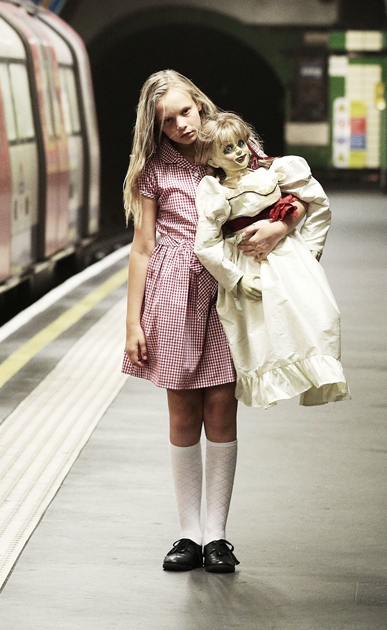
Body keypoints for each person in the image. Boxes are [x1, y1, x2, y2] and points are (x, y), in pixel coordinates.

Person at [122, 70, 303, 574]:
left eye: (186, 111)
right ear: (155, 128)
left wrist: (278, 223)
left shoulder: (233, 145)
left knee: (222, 409)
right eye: (167, 120)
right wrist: (132, 323)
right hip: (174, 294)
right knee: (183, 413)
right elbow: (142, 248)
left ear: (200, 104)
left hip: (230, 290)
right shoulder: (153, 170)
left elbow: (292, 193)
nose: (181, 124)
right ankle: (187, 534)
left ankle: (217, 537)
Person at [194, 112, 349, 409]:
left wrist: (311, 252)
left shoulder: (274, 171)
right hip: (249, 267)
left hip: (291, 260)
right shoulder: (215, 192)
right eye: (227, 149)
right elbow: (205, 245)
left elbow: (318, 203)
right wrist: (235, 278)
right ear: (211, 159)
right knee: (264, 332)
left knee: (318, 316)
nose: (238, 152)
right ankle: (278, 381)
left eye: (240, 143)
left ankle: (319, 373)